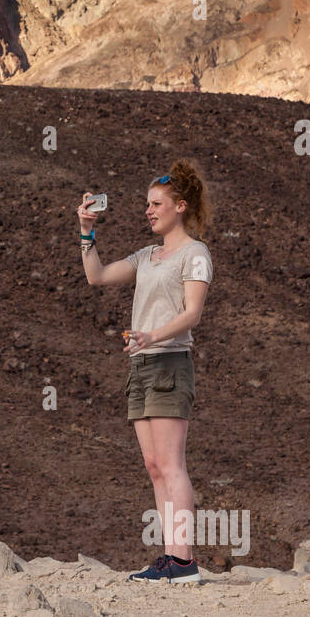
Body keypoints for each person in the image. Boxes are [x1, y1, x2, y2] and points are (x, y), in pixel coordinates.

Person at [77, 161, 214, 583]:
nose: (148, 211)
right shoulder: (147, 256)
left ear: (180, 207)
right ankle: (169, 557)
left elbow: (192, 314)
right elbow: (96, 276)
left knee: (172, 463)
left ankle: (184, 560)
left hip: (170, 360)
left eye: (156, 204)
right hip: (142, 363)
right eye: (147, 204)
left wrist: (152, 335)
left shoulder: (195, 254)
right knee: (154, 465)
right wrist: (86, 230)